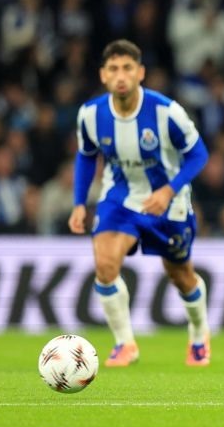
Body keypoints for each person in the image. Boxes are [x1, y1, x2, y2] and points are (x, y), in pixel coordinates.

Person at [68, 39, 210, 367]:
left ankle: (199, 332)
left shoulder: (166, 111)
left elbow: (198, 154)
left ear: (140, 73)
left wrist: (168, 190)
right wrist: (79, 202)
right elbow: (86, 157)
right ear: (103, 75)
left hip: (169, 202)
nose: (121, 75)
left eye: (128, 68)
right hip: (119, 198)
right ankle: (125, 343)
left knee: (181, 275)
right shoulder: (90, 115)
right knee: (105, 265)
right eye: (114, 69)